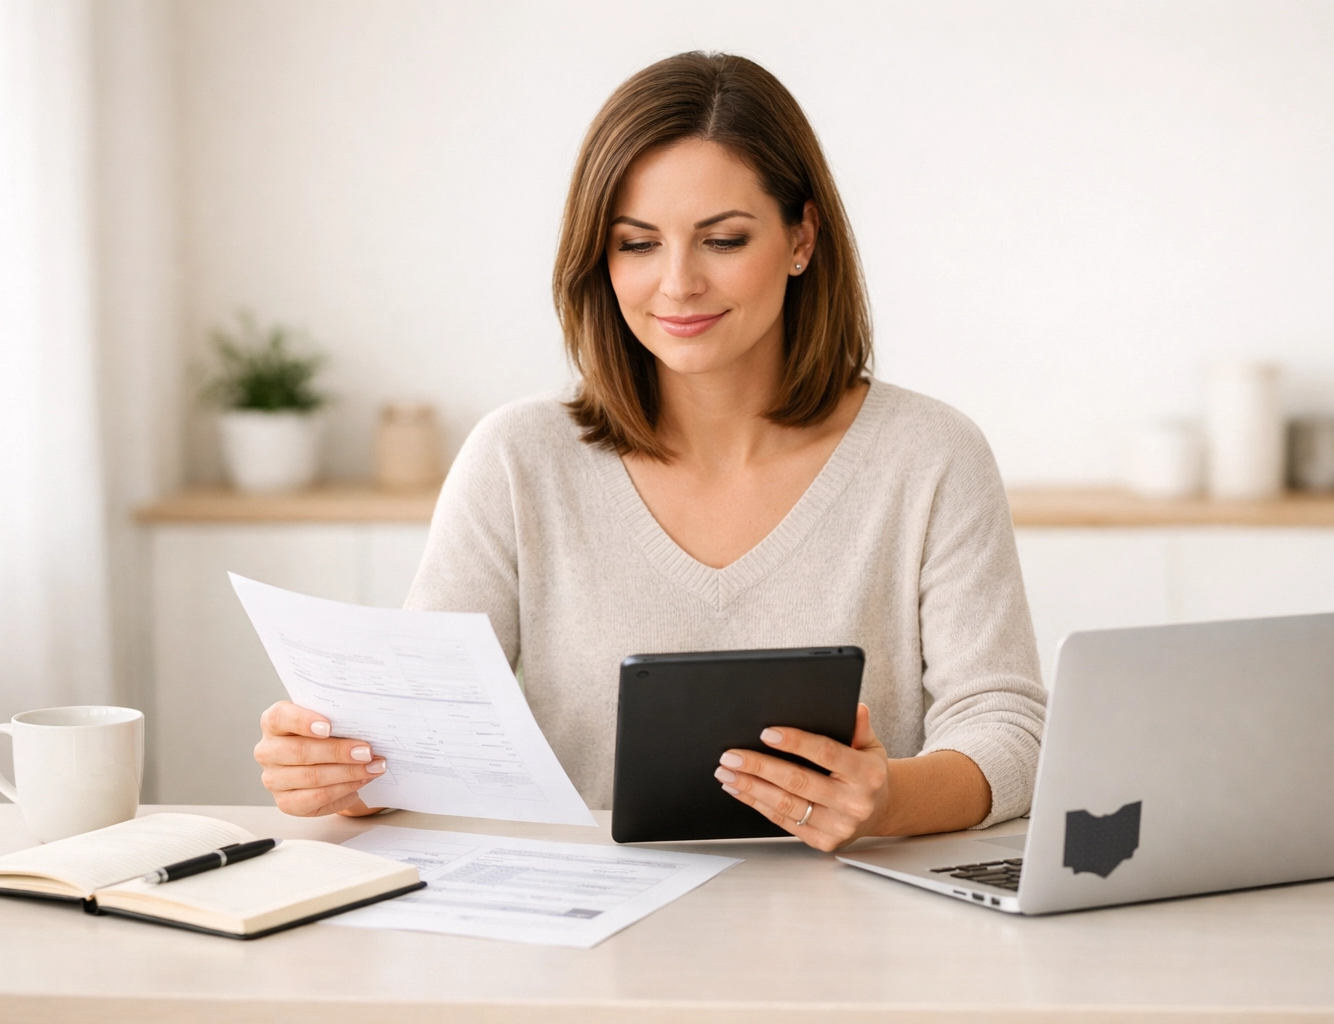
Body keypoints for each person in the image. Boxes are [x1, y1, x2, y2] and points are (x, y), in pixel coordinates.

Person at [255, 51, 1046, 852]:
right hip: (590, 936)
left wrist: (890, 800)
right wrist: (344, 777)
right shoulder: (518, 459)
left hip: (859, 930)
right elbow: (422, 742)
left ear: (801, 236)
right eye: (637, 244)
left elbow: (1010, 730)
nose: (677, 284)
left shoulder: (930, 455)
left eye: (724, 240)